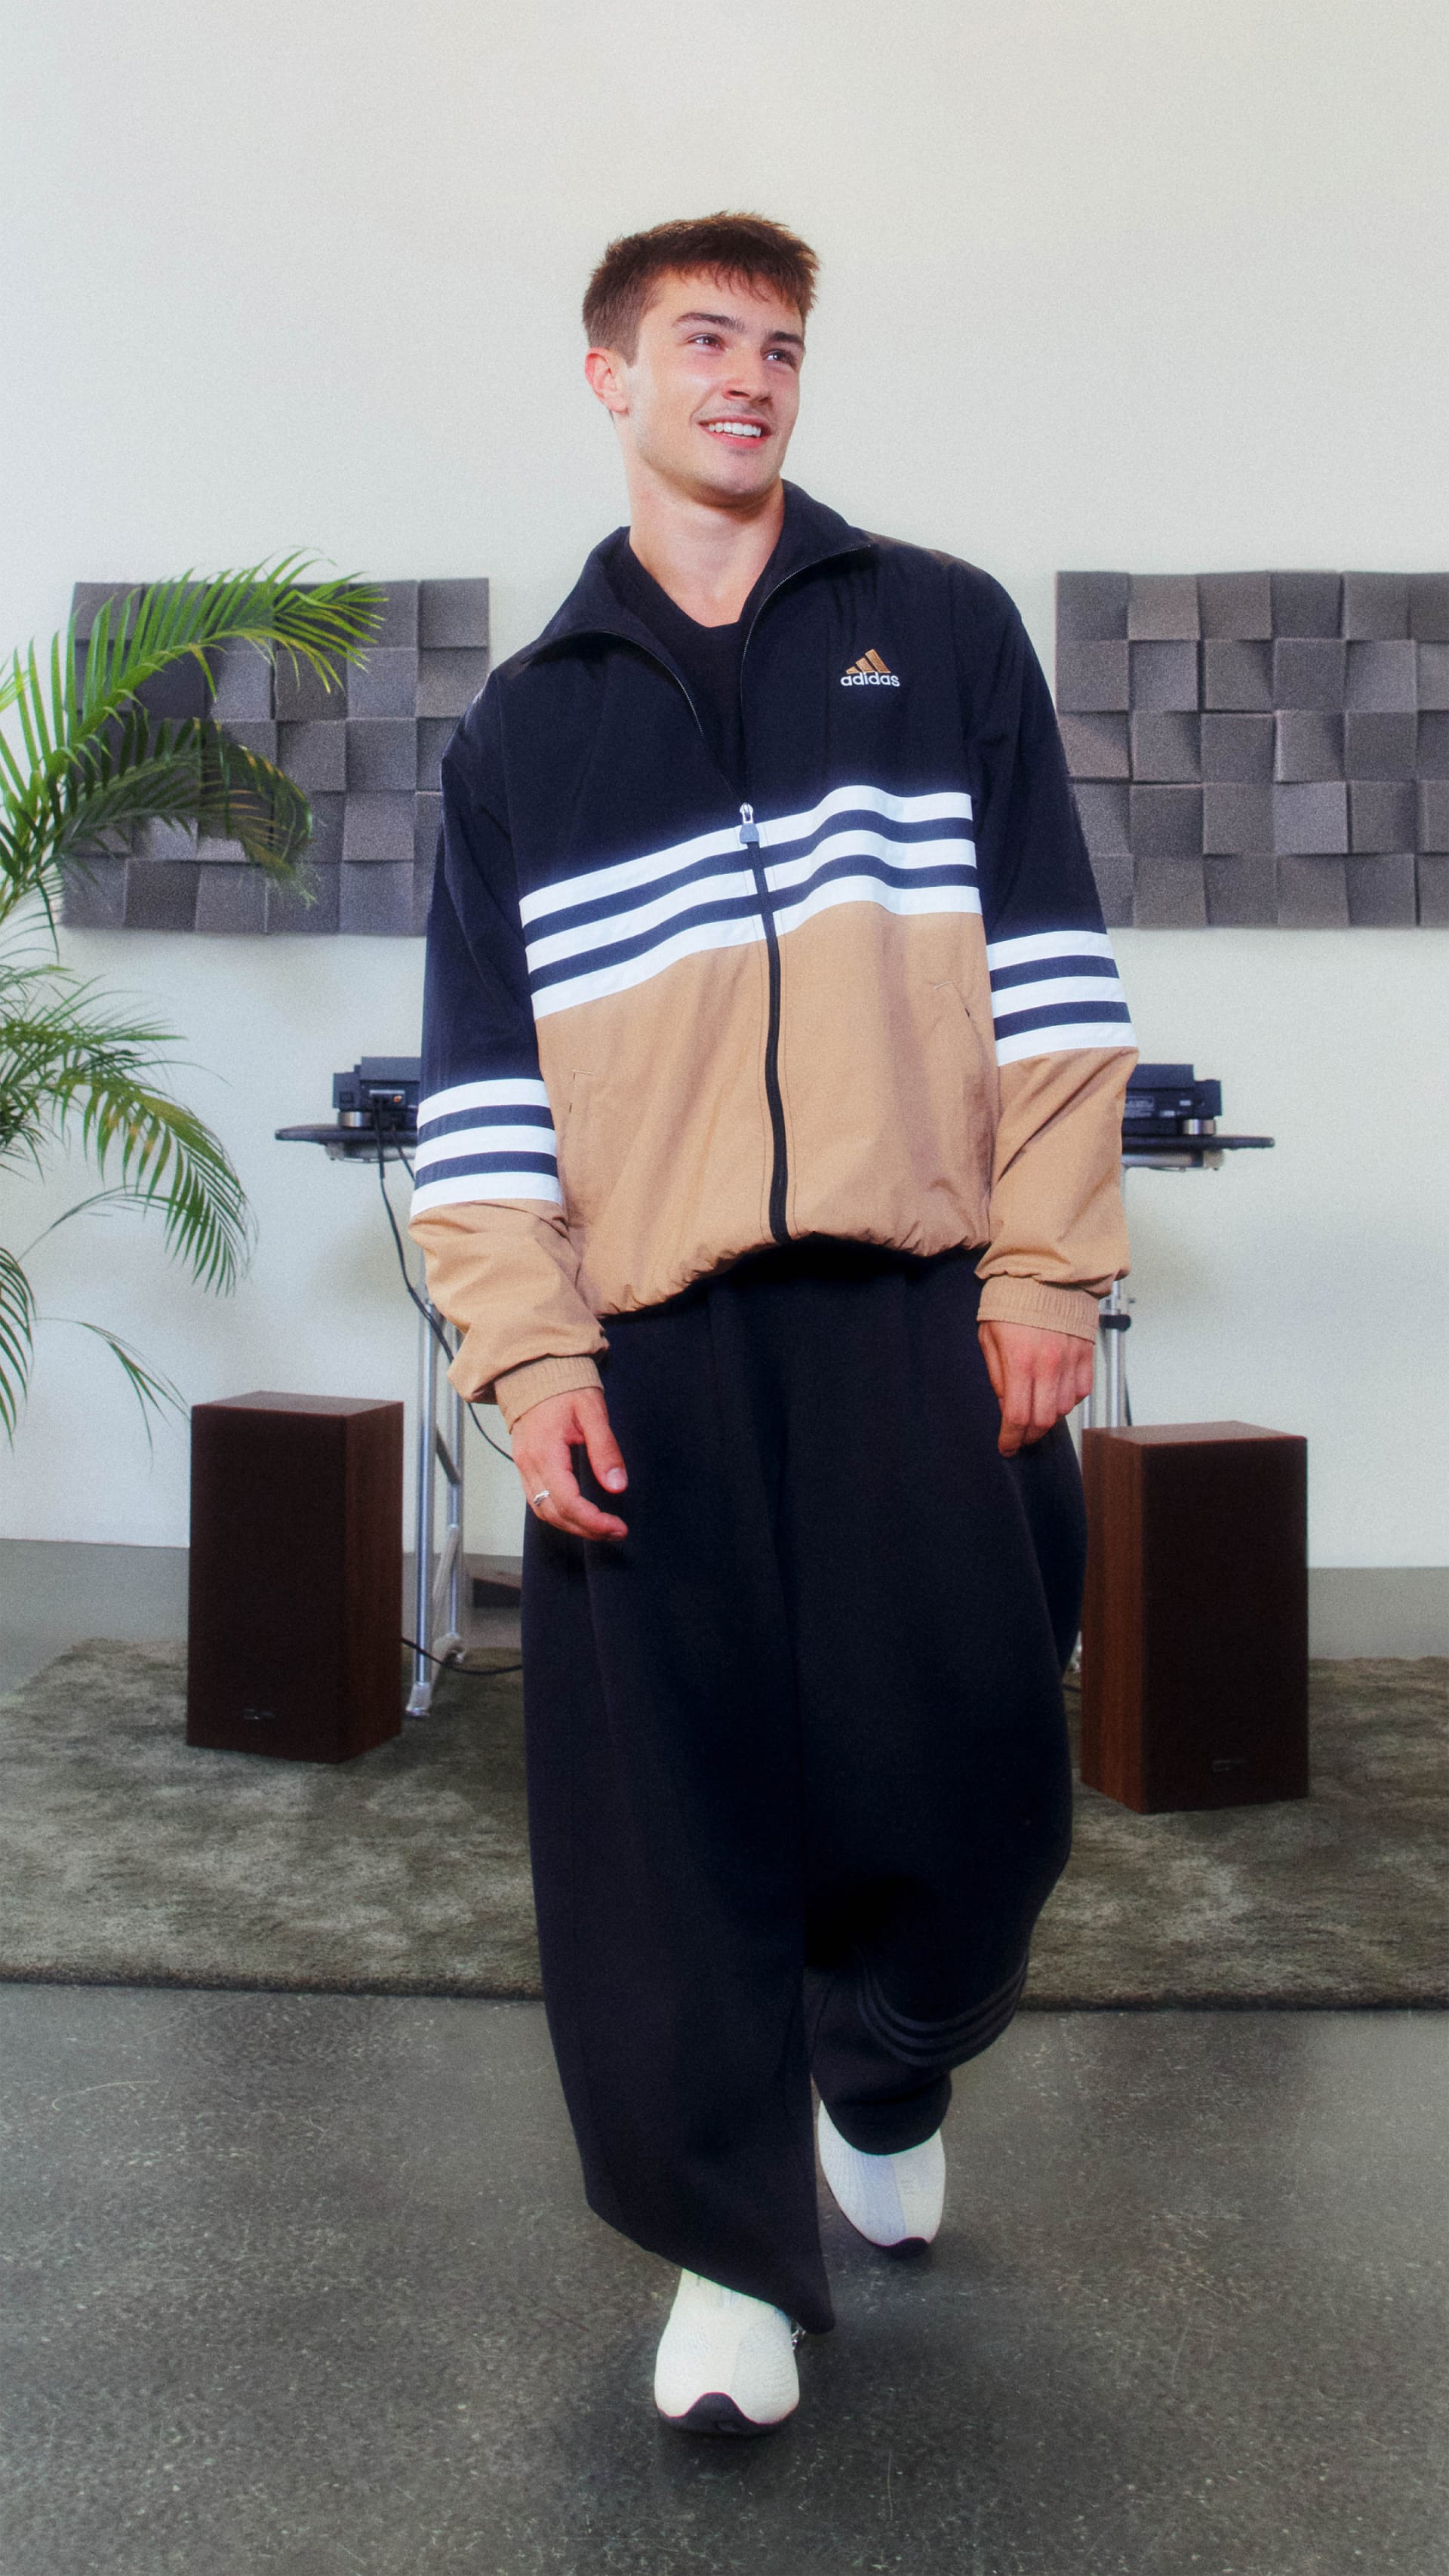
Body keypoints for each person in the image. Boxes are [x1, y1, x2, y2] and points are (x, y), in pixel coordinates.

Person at [408, 211, 1135, 2436]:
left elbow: (1061, 984)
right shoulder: (526, 735)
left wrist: (1043, 1271)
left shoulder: (940, 632)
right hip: (658, 1358)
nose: (752, 377)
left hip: (927, 1312)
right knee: (673, 1826)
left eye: (784, 346)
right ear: (609, 375)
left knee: (995, 1781)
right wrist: (529, 1360)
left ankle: (886, 2071)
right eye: (707, 340)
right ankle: (735, 2259)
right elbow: (480, 1098)